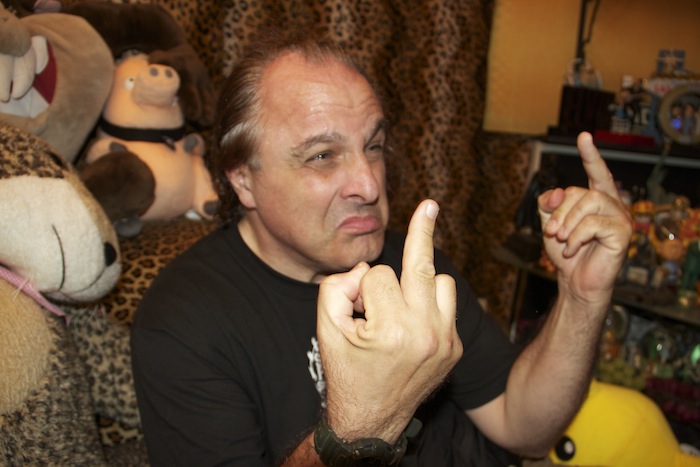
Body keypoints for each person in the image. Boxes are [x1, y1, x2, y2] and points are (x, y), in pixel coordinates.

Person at [130, 28, 632, 466]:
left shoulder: (409, 263)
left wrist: (582, 296)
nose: (370, 184)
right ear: (243, 180)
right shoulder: (183, 321)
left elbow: (523, 426)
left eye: (373, 146)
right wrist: (358, 429)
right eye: (322, 155)